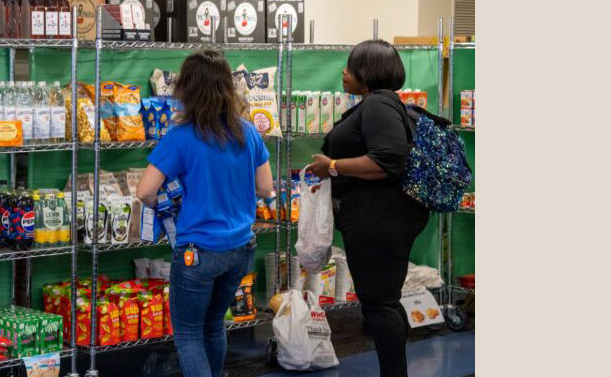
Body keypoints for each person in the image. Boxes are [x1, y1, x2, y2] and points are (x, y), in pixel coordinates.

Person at [135, 51, 274, 377]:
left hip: (198, 252)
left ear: (188, 90)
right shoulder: (248, 132)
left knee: (187, 334)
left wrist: (167, 204)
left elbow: (144, 191)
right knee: (213, 325)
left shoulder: (181, 137)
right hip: (241, 248)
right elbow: (266, 188)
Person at [306, 40, 428, 377]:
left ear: (368, 72)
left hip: (380, 220)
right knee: (383, 302)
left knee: (380, 305)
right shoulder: (378, 104)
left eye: (350, 66)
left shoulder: (378, 106)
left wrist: (333, 164)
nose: (344, 72)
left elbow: (387, 160)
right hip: (380, 218)